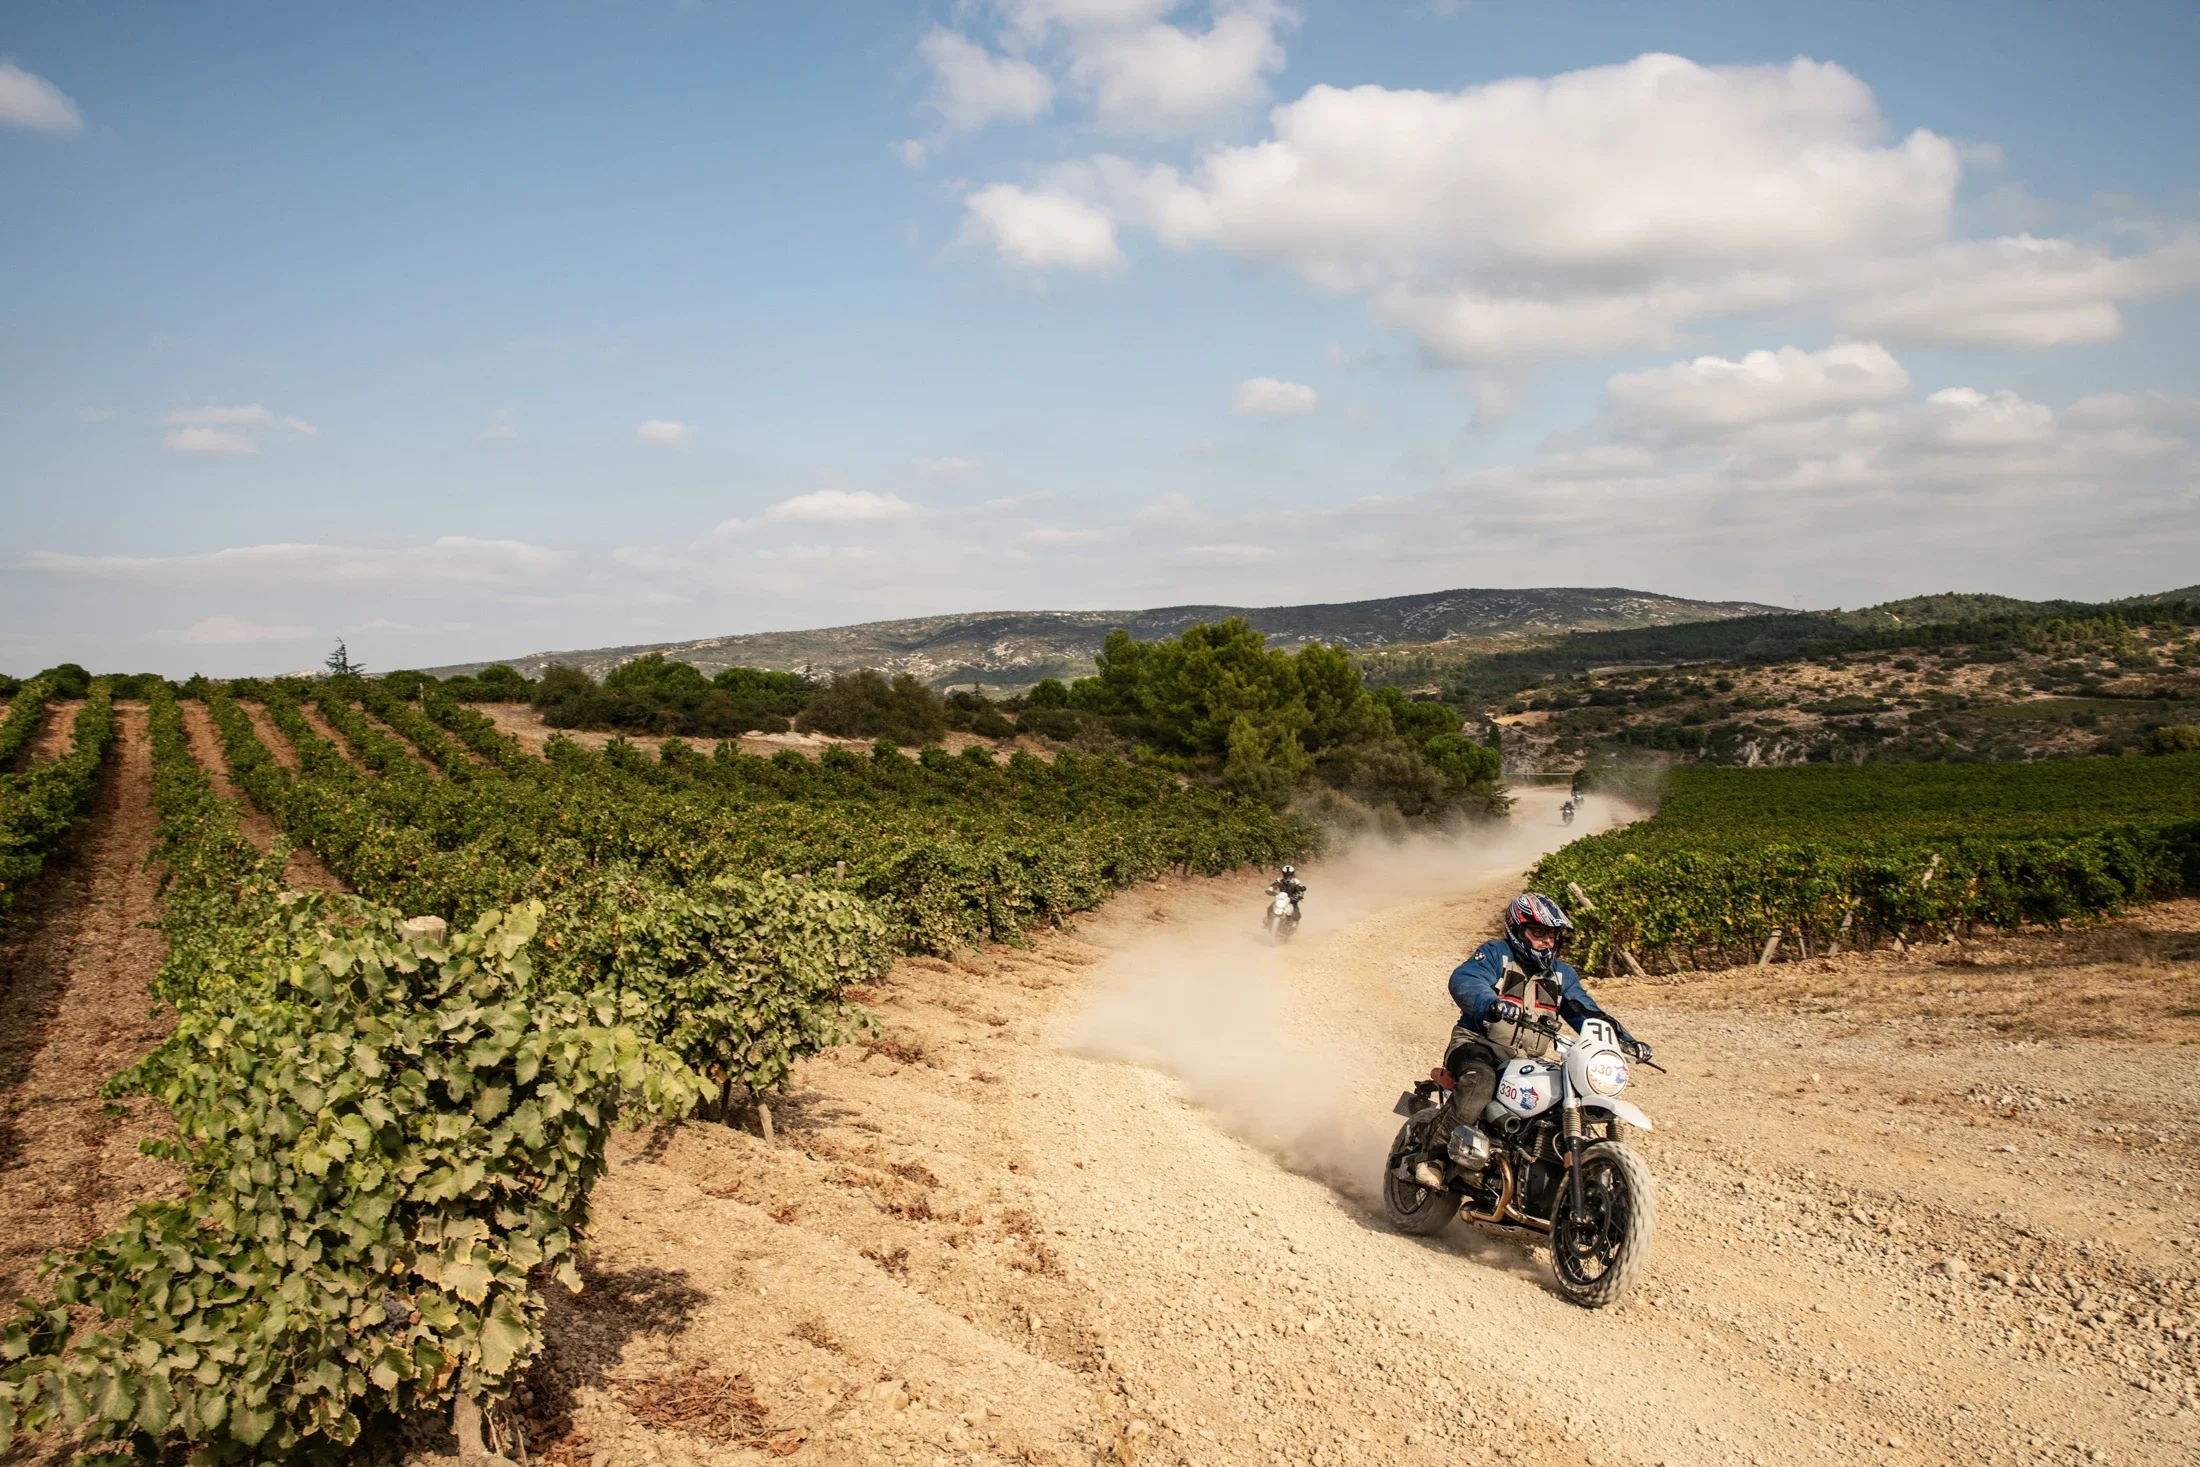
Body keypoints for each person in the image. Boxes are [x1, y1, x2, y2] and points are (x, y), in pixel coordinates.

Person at [1411, 893, 1648, 1187]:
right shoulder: (1497, 955)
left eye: (1551, 934)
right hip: (1477, 1045)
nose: (1546, 941)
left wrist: (1624, 1040)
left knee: (1560, 1099)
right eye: (1538, 932)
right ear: (1517, 929)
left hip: (1525, 1060)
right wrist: (1491, 1003)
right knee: (1479, 1083)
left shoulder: (1561, 975)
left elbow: (1585, 1011)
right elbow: (1466, 980)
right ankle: (1433, 1157)